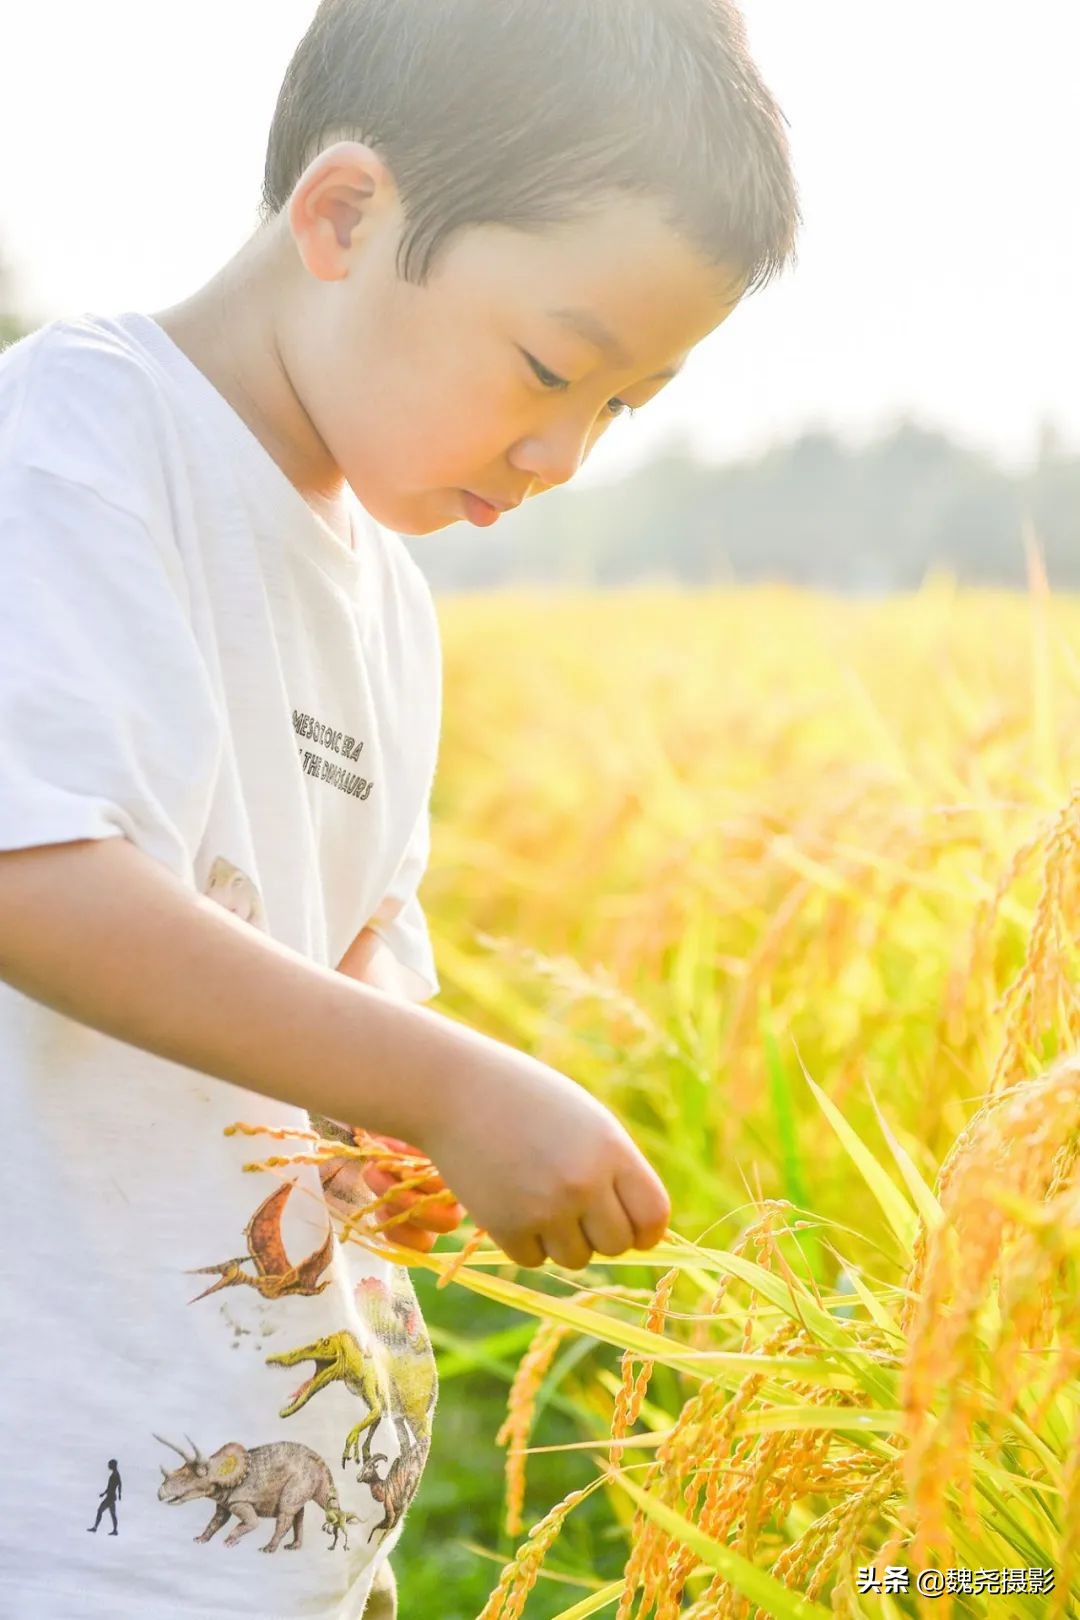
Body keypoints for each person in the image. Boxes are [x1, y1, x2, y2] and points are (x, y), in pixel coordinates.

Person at [0, 1, 798, 1615]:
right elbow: (35, 874)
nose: (569, 450)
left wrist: (394, 1099)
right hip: (62, 1513)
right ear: (345, 215)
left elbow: (357, 937)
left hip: (288, 1515)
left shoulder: (388, 602)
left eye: (624, 406)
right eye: (555, 367)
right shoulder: (80, 446)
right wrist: (456, 1088)